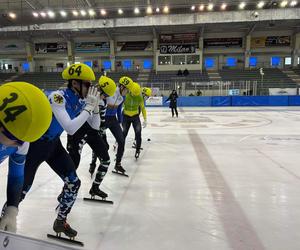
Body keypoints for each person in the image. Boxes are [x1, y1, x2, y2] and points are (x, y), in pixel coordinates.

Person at [21, 63, 99, 238]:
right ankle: (6, 217)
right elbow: (70, 128)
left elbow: (95, 126)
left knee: (74, 183)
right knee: (22, 189)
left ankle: (60, 222)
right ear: (75, 84)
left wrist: (95, 109)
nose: (90, 88)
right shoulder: (58, 97)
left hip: (54, 146)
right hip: (36, 146)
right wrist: (87, 108)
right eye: (87, 84)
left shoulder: (81, 100)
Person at [0, 81, 52, 233]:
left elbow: (16, 176)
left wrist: (12, 210)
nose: (20, 144)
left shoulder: (22, 142)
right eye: (17, 139)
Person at [66, 75, 116, 199]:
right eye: (104, 95)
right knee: (73, 164)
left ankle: (95, 188)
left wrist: (97, 108)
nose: (104, 98)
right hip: (77, 131)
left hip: (92, 132)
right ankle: (66, 191)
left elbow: (99, 125)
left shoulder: (102, 102)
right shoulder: (81, 96)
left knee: (106, 160)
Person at [90, 76, 136, 175]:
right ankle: (93, 162)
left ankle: (118, 164)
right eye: (127, 90)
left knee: (121, 141)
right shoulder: (111, 91)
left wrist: (120, 121)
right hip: (103, 119)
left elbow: (119, 109)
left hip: (113, 120)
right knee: (99, 142)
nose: (128, 92)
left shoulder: (123, 97)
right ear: (122, 87)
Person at [122, 83, 146, 159]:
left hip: (135, 117)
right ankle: (120, 151)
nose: (135, 95)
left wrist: (145, 119)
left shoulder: (139, 96)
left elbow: (143, 108)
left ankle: (137, 150)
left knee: (138, 133)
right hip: (126, 116)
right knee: (123, 134)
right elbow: (120, 104)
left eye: (136, 94)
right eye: (133, 94)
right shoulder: (126, 94)